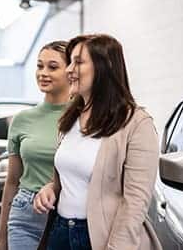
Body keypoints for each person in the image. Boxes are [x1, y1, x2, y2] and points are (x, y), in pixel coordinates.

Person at [33, 34, 162, 250]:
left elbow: (136, 203)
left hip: (100, 238)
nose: (69, 69)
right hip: (60, 231)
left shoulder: (137, 124)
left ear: (105, 68)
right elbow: (72, 177)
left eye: (78, 62)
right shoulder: (71, 117)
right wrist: (51, 188)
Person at [0, 41, 70, 250]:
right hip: (25, 213)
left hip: (68, 214)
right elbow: (12, 182)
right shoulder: (22, 119)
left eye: (53, 67)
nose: (43, 73)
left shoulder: (83, 118)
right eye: (39, 66)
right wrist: (2, 240)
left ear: (71, 71)